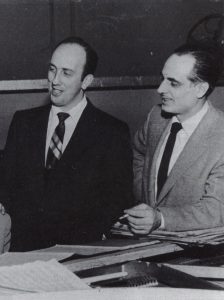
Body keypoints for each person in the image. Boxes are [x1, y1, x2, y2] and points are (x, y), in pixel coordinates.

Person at [0, 36, 133, 251]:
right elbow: (6, 184)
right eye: (52, 69)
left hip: (78, 254)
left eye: (66, 73)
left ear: (86, 81)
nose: (55, 80)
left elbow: (117, 200)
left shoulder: (112, 132)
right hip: (22, 252)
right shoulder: (23, 122)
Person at [124, 42, 224, 235]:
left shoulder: (220, 135)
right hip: (144, 244)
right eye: (162, 79)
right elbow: (137, 152)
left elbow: (216, 209)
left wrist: (160, 218)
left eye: (173, 82)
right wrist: (143, 193)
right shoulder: (156, 117)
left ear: (200, 89)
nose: (160, 89)